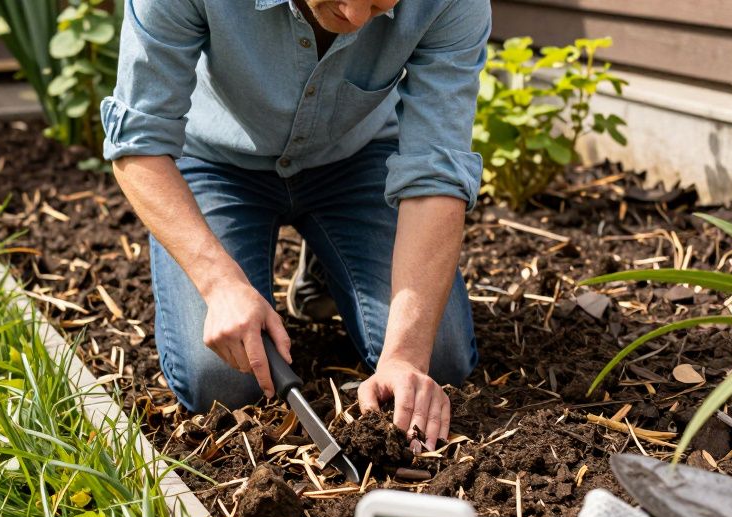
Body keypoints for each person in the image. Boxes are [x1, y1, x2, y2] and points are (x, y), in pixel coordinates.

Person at [103, 0, 488, 451]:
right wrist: (219, 283)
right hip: (216, 163)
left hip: (355, 161)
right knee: (224, 382)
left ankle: (327, 264)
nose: (357, 18)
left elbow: (435, 173)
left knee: (436, 362)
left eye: (382, 1)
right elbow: (138, 143)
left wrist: (405, 356)